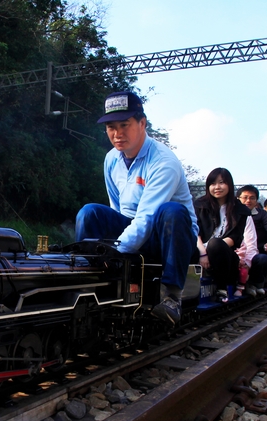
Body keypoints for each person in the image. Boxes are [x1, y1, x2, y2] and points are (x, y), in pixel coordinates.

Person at [76, 91, 198, 326]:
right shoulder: (111, 159)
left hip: (168, 238)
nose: (117, 134)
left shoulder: (164, 162)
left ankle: (172, 296)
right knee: (89, 212)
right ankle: (86, 277)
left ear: (142, 123)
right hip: (132, 229)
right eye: (111, 127)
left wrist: (114, 250)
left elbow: (148, 217)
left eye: (125, 125)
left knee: (171, 211)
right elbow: (116, 207)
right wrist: (109, 249)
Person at [194, 168, 255, 300]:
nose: (217, 187)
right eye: (212, 183)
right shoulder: (200, 205)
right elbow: (195, 230)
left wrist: (212, 247)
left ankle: (222, 289)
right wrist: (203, 252)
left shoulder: (240, 210)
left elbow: (235, 237)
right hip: (200, 247)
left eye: (221, 182)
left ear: (229, 184)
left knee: (215, 244)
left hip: (224, 252)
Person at [236, 185, 267, 295]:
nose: (248, 201)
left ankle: (256, 283)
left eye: (252, 198)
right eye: (245, 197)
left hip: (257, 250)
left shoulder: (262, 215)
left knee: (265, 257)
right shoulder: (231, 213)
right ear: (238, 198)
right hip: (237, 250)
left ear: (256, 201)